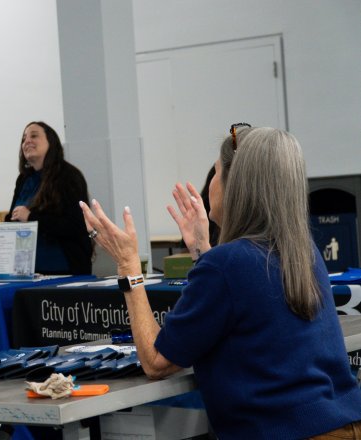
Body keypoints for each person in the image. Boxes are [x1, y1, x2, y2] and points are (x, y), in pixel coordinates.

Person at [80, 125, 361, 439]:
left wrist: (128, 265)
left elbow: (157, 362)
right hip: (344, 422)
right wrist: (203, 249)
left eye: (214, 171)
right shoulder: (301, 251)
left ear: (234, 185)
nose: (209, 183)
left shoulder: (226, 264)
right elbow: (242, 297)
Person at [5, 121, 92, 275]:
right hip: (27, 271)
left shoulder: (69, 176)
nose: (27, 141)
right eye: (24, 138)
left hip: (64, 270)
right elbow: (14, 217)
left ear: (51, 142)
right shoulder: (23, 179)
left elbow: (76, 225)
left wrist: (31, 217)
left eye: (34, 136)